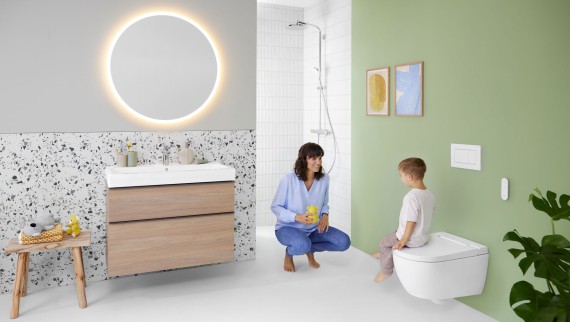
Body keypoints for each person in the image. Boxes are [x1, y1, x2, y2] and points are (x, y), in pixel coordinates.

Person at [271, 142, 351, 272]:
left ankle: (310, 249)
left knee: (344, 242)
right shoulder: (288, 180)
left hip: (313, 228)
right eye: (313, 158)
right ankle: (290, 253)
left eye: (320, 158)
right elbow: (275, 207)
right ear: (304, 160)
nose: (318, 162)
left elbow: (325, 203)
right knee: (302, 244)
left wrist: (325, 215)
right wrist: (296, 217)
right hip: (287, 228)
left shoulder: (324, 179)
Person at [372, 157, 436, 283]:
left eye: (401, 176)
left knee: (384, 243)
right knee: (392, 238)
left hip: (409, 238)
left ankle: (386, 271)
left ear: (409, 177)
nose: (401, 179)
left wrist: (404, 240)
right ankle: (384, 255)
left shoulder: (411, 197)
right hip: (422, 238)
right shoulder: (429, 195)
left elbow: (411, 221)